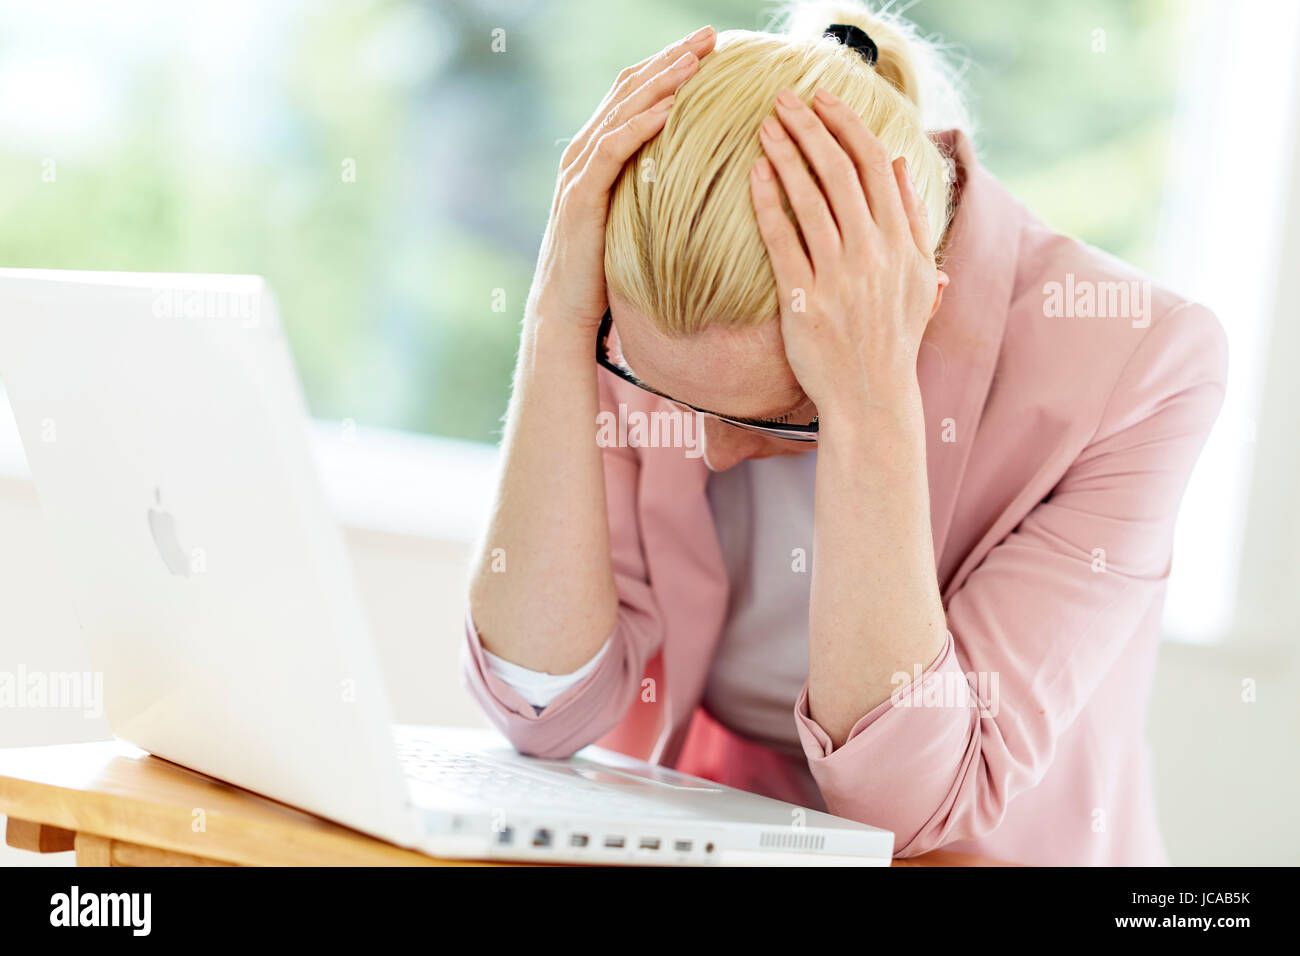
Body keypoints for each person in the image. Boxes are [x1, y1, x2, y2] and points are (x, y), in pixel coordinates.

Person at [462, 0, 1227, 865]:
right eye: (663, 392)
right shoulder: (650, 320)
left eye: (775, 416)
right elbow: (539, 705)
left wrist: (869, 399)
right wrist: (556, 322)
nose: (707, 450)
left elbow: (913, 805)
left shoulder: (1138, 364)